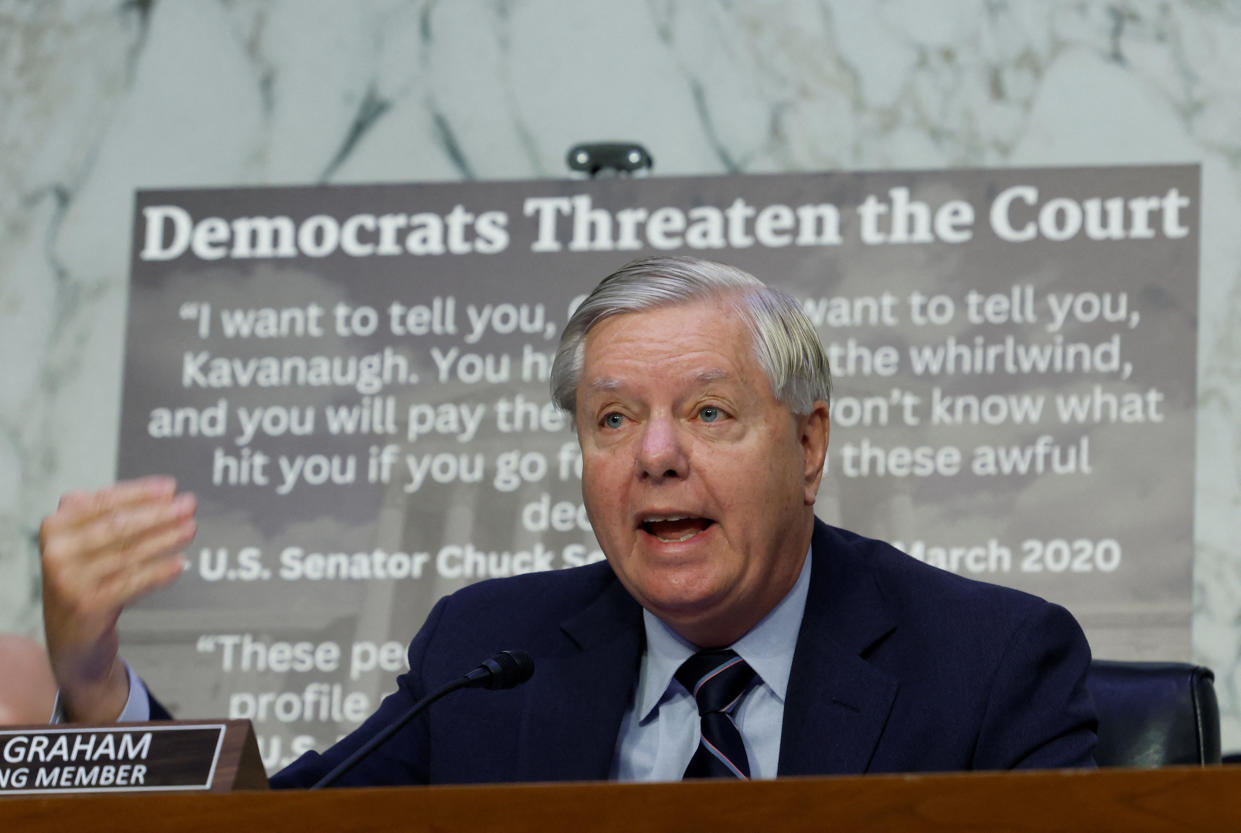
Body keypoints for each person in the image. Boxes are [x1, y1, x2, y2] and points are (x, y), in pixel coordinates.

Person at [39, 255, 1097, 784]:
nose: (653, 453)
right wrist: (92, 681)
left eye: (708, 411)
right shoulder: (488, 652)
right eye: (611, 417)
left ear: (807, 444)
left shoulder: (987, 661)